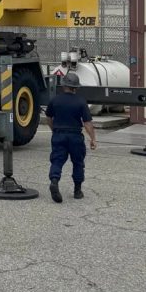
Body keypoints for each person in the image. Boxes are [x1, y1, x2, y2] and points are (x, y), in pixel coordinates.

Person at [44, 70, 97, 202]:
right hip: (75, 136)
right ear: (76, 87)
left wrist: (54, 130)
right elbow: (87, 123)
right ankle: (77, 190)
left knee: (57, 160)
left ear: (63, 85)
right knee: (78, 162)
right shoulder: (80, 102)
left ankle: (54, 181)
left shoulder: (55, 100)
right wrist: (93, 139)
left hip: (58, 134)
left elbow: (48, 117)